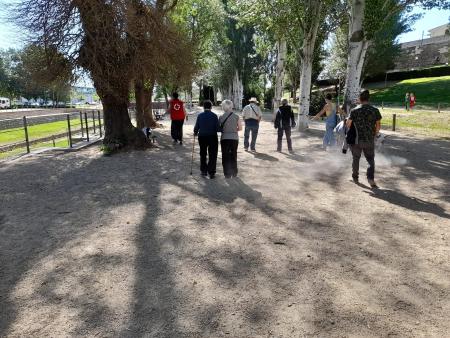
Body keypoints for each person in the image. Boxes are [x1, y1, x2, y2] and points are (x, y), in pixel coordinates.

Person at [346, 89, 382, 188]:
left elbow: (348, 124)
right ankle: (370, 179)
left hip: (357, 140)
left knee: (356, 158)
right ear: (368, 98)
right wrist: (375, 134)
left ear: (359, 98)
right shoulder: (375, 110)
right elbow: (378, 125)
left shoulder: (354, 110)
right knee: (370, 159)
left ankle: (355, 177)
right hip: (369, 139)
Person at [194, 100, 219, 179]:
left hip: (202, 136)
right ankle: (211, 172)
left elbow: (197, 126)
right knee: (212, 154)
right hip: (212, 136)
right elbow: (217, 128)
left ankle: (203, 171)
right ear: (211, 107)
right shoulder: (214, 116)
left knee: (203, 153)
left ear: (203, 107)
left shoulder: (200, 115)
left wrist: (195, 132)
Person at [219, 99, 242, 178]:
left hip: (224, 138)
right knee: (233, 155)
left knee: (225, 155)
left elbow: (219, 128)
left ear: (224, 107)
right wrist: (233, 130)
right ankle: (234, 172)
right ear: (231, 106)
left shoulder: (221, 117)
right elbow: (240, 128)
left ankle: (227, 173)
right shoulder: (236, 116)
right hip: (234, 138)